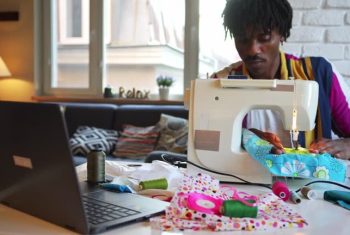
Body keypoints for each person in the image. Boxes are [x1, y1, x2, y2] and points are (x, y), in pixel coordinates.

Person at [211, 0, 350, 160]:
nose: (253, 49)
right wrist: (244, 137)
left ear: (282, 34)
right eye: (243, 39)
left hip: (312, 183)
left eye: (264, 37)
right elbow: (209, 143)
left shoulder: (318, 73)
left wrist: (347, 145)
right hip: (242, 181)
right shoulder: (219, 83)